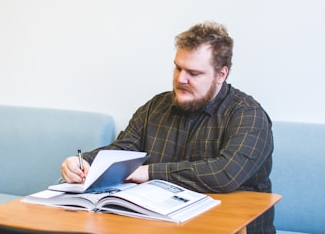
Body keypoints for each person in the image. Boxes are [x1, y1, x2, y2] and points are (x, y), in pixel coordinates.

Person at [61, 21, 275, 234]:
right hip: (160, 226)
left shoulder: (248, 115)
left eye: (193, 73)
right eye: (178, 67)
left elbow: (225, 173)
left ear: (221, 74)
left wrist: (149, 172)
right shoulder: (156, 107)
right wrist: (84, 162)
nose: (180, 78)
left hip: (230, 228)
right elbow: (123, 149)